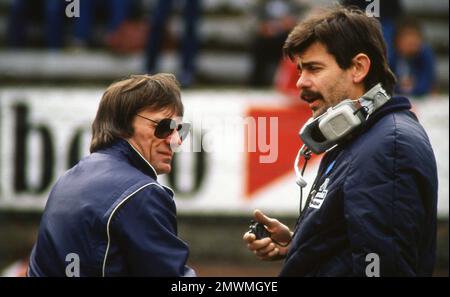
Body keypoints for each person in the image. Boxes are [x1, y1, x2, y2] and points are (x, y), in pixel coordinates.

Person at [243, 6, 438, 277]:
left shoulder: (389, 148)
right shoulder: (360, 136)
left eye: (313, 68)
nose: (300, 81)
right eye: (300, 70)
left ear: (358, 68)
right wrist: (299, 243)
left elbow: (381, 269)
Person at [28, 74, 195, 277]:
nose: (176, 141)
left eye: (180, 130)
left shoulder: (67, 180)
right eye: (164, 127)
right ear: (123, 125)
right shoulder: (142, 194)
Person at [389, 17, 436, 96]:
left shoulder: (425, 55)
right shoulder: (389, 56)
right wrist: (401, 86)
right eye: (407, 38)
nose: (412, 42)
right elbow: (386, 84)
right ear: (398, 40)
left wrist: (412, 88)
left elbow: (427, 82)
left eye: (415, 38)